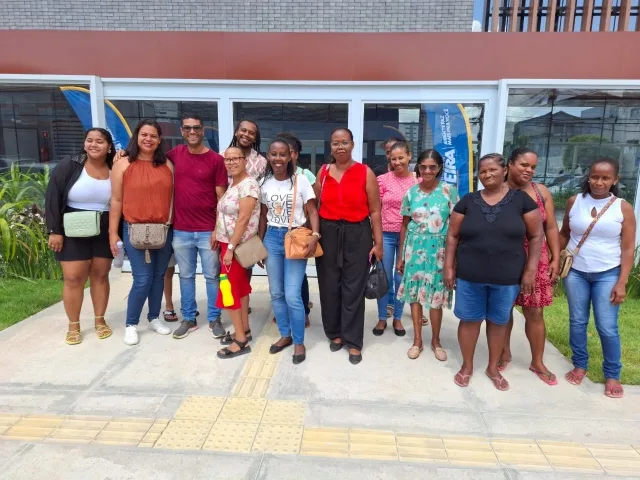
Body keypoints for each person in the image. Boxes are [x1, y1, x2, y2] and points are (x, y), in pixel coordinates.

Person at [444, 153, 543, 391]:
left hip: (507, 277)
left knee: (498, 321)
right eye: (483, 171)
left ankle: (491, 367)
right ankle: (467, 366)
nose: (487, 175)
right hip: (469, 275)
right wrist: (448, 267)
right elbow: (452, 235)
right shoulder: (467, 201)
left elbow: (537, 235)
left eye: (493, 170)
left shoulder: (522, 201)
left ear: (504, 171)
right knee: (469, 320)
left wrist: (531, 270)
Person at [559, 158, 636, 398]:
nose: (598, 182)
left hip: (608, 273)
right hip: (576, 273)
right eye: (594, 176)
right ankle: (580, 364)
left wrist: (622, 281)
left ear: (615, 180)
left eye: (605, 178)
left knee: (607, 326)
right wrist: (554, 262)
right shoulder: (575, 201)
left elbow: (627, 248)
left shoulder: (622, 207)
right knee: (578, 321)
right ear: (588, 177)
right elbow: (564, 235)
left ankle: (612, 374)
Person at [314, 127, 383, 365]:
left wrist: (378, 243)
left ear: (353, 145)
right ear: (330, 146)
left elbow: (375, 211)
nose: (340, 147)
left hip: (358, 234)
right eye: (335, 143)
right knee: (329, 285)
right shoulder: (323, 172)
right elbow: (314, 205)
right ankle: (335, 332)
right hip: (328, 233)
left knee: (353, 288)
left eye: (344, 142)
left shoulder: (366, 173)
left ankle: (353, 340)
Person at [45, 128, 116, 345]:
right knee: (74, 277)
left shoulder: (115, 166)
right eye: (89, 140)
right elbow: (53, 196)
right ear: (84, 143)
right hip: (72, 225)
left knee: (100, 275)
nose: (94, 145)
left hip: (104, 226)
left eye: (100, 141)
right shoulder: (71, 164)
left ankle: (99, 320)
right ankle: (73, 325)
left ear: (109, 146)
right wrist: (54, 231)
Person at [109, 120, 174, 346]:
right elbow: (116, 200)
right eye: (144, 135)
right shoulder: (123, 164)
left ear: (159, 140)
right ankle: (131, 324)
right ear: (137, 136)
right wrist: (112, 233)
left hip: (164, 230)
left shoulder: (167, 164)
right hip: (134, 229)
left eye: (153, 136)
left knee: (158, 276)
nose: (148, 139)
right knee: (142, 278)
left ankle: (154, 317)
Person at [499, 147, 561, 385]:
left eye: (533, 167)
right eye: (524, 165)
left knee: (535, 312)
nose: (529, 170)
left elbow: (551, 227)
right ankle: (503, 353)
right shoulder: (498, 190)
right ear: (510, 164)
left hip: (537, 258)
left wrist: (556, 257)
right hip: (505, 257)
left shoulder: (540, 191)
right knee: (503, 311)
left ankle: (537, 361)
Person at [166, 114, 229, 340]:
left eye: (196, 128)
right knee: (185, 276)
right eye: (187, 128)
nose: (192, 132)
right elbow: (148, 161)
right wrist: (122, 155)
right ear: (182, 131)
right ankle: (189, 318)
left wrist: (217, 229)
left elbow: (221, 198)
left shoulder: (215, 160)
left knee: (213, 276)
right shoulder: (174, 155)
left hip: (207, 231)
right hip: (181, 230)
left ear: (203, 131)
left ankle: (214, 318)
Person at [258, 139, 320, 364]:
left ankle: (299, 341)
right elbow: (263, 216)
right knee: (276, 292)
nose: (278, 159)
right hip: (272, 238)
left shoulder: (300, 180)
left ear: (290, 156)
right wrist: (260, 244)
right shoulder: (264, 183)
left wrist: (315, 235)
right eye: (273, 154)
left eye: (282, 154)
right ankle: (285, 335)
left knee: (292, 293)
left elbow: (312, 211)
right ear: (268, 156)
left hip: (295, 236)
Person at [397, 149, 457, 360]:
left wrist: (453, 260)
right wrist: (401, 256)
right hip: (414, 249)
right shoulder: (411, 193)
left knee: (436, 298)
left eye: (432, 166)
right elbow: (404, 225)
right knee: (415, 296)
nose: (428, 170)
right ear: (418, 168)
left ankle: (436, 341)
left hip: (439, 251)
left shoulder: (449, 192)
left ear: (439, 168)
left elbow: (456, 228)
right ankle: (417, 341)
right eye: (424, 166)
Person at [213, 146, 261, 359]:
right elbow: (224, 213)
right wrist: (216, 232)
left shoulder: (249, 185)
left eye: (236, 159)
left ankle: (240, 340)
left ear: (245, 161)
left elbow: (243, 219)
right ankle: (245, 330)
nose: (231, 163)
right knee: (239, 289)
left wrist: (230, 248)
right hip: (228, 244)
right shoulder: (235, 184)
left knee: (228, 290)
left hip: (237, 247)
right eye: (227, 159)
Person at [372, 141, 419, 337]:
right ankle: (383, 318)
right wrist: (376, 240)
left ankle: (398, 317)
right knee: (385, 278)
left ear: (409, 156)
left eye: (401, 158)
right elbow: (374, 210)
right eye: (393, 159)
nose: (397, 162)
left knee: (401, 279)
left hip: (408, 238)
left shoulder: (418, 181)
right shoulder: (382, 180)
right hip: (385, 236)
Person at [275, 131, 315, 326]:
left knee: (300, 278)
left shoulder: (305, 175)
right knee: (279, 279)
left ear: (295, 154)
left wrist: (310, 230)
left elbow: (314, 205)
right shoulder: (271, 177)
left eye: (289, 152)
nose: (285, 156)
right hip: (277, 234)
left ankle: (304, 310)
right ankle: (283, 312)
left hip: (299, 232)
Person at [228, 120, 267, 312]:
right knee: (225, 270)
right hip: (225, 224)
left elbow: (262, 197)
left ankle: (244, 303)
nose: (247, 135)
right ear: (236, 132)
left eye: (252, 132)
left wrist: (260, 231)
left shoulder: (261, 162)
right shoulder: (223, 157)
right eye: (243, 130)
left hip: (249, 225)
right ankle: (229, 302)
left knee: (245, 267)